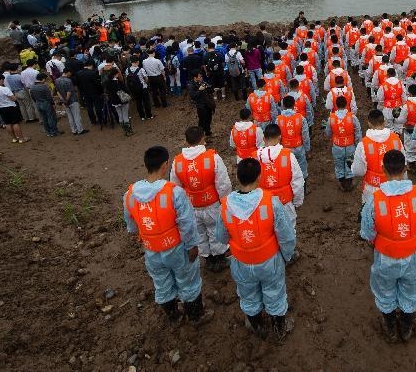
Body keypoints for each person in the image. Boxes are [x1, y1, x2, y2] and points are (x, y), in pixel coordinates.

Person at [124, 146, 210, 325]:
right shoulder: (174, 192)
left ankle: (174, 316)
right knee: (188, 281)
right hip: (176, 249)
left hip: (151, 250)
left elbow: (131, 224)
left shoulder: (130, 195)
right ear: (165, 165)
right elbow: (187, 223)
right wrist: (192, 246)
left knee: (162, 283)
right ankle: (195, 316)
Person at [215, 158, 296, 340]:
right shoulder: (271, 202)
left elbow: (220, 236)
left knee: (248, 295)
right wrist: (286, 256)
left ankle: (257, 326)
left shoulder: (225, 206)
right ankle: (279, 328)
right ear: (259, 177)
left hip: (241, 263)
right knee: (275, 293)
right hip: (269, 262)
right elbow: (286, 236)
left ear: (237, 177)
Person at [360, 150, 416, 342]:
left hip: (385, 258)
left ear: (383, 169)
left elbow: (367, 232)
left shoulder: (375, 200)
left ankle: (391, 329)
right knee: (410, 292)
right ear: (405, 169)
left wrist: (375, 241)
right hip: (412, 257)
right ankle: (406, 328)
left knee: (385, 291)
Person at [170, 126, 232, 272]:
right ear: (203, 138)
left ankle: (208, 260)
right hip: (212, 204)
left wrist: (181, 208)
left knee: (199, 233)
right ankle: (220, 258)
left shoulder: (177, 162)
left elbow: (175, 188)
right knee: (215, 230)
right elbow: (223, 184)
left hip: (192, 206)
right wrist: (225, 202)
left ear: (186, 141)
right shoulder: (213, 158)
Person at [257, 124, 305, 233]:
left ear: (264, 139)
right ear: (280, 137)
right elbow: (297, 181)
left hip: (263, 205)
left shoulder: (255, 157)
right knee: (288, 231)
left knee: (267, 231)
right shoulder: (288, 156)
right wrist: (297, 201)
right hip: (285, 203)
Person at [353, 109, 405, 205]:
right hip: (393, 188)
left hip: (372, 190)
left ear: (369, 123)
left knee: (373, 212)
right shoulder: (395, 139)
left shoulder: (363, 144)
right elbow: (403, 164)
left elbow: (358, 171)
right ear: (384, 122)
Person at [325, 95, 363, 191]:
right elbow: (358, 132)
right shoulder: (352, 117)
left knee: (339, 164)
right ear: (346, 105)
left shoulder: (331, 118)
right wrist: (357, 144)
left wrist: (331, 139)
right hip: (350, 146)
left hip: (337, 146)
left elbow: (328, 132)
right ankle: (349, 184)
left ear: (336, 105)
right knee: (350, 164)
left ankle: (342, 184)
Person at [0, 73, 28, 143]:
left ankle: (14, 138)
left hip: (0, 108)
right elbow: (13, 99)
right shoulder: (4, 88)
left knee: (7, 123)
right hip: (10, 107)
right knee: (15, 123)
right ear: (1, 80)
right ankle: (21, 138)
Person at [276, 95, 311, 179]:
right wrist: (307, 149)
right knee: (302, 169)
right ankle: (303, 185)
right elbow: (305, 136)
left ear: (283, 105)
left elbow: (277, 136)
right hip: (299, 148)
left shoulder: (278, 119)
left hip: (285, 149)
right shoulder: (301, 118)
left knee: (286, 169)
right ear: (294, 105)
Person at [55, 68, 88, 135]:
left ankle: (74, 130)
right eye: (70, 73)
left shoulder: (57, 80)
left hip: (65, 101)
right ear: (68, 72)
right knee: (76, 116)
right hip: (72, 100)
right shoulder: (68, 80)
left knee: (70, 117)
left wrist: (63, 100)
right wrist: (66, 100)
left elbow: (57, 91)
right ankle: (80, 130)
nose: (71, 74)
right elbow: (69, 92)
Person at [104, 66, 134, 136]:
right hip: (122, 99)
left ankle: (124, 131)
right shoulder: (118, 82)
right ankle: (129, 131)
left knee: (120, 116)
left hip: (114, 101)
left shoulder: (107, 82)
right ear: (116, 74)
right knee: (125, 115)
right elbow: (125, 90)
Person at [74, 61, 106, 126]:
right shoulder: (92, 73)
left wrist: (82, 92)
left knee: (89, 108)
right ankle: (100, 120)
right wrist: (101, 92)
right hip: (95, 93)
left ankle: (93, 121)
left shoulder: (78, 73)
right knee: (98, 107)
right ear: (91, 65)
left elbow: (78, 84)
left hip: (85, 93)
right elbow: (97, 84)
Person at [187, 70, 216, 137]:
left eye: (201, 76)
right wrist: (199, 90)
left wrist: (208, 87)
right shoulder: (190, 85)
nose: (201, 77)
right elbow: (193, 96)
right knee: (202, 122)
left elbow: (211, 90)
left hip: (208, 104)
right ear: (195, 78)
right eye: (200, 76)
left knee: (208, 119)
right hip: (200, 106)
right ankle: (200, 137)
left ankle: (208, 133)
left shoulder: (202, 82)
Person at [125, 56, 153, 121]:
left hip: (134, 89)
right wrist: (145, 83)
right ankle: (149, 115)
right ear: (137, 62)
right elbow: (146, 78)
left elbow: (127, 79)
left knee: (138, 102)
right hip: (143, 88)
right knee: (146, 102)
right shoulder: (141, 69)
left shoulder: (127, 70)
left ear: (131, 62)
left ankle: (142, 116)